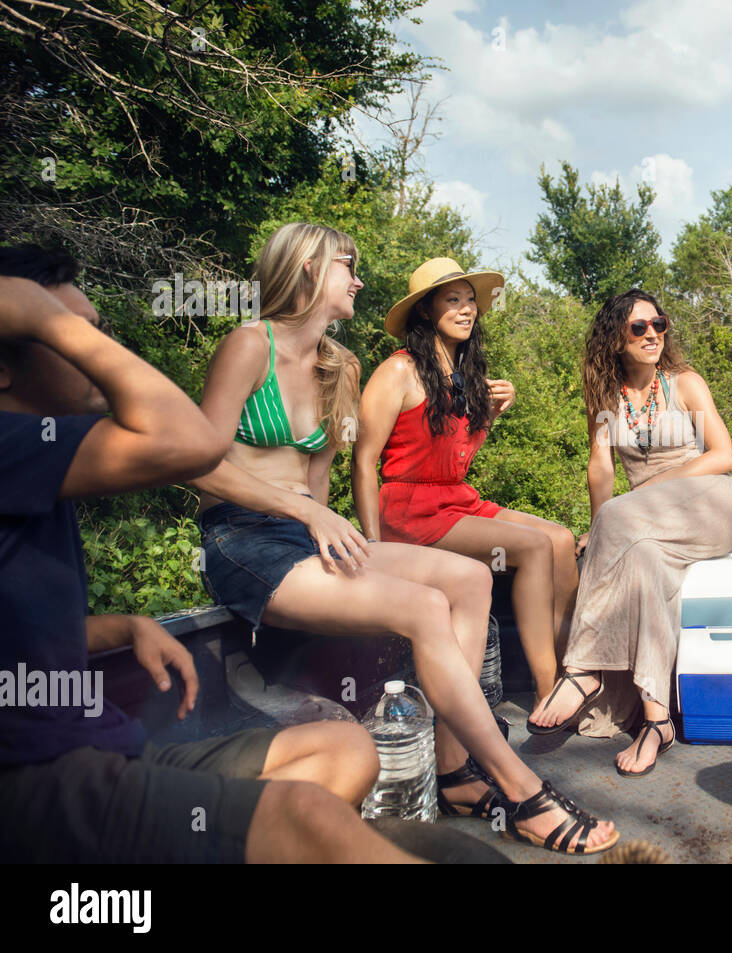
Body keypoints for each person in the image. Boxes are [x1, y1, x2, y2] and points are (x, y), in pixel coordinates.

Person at [192, 224, 617, 854]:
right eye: (347, 266)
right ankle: (522, 788)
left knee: (470, 578)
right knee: (424, 605)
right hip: (244, 541)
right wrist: (312, 516)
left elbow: (318, 480)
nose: (358, 279)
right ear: (309, 269)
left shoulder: (339, 366)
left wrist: (329, 526)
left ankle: (454, 773)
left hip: (305, 534)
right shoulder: (248, 346)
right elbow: (198, 461)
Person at [0, 244, 421, 863]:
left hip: (109, 743)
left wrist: (124, 624)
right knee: (303, 818)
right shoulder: (12, 446)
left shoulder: (42, 459)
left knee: (348, 748)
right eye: (69, 335)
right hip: (37, 772)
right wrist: (43, 314)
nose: (99, 348)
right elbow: (195, 446)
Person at [526, 289, 732, 778]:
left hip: (708, 502)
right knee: (641, 558)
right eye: (638, 328)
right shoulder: (606, 397)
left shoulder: (684, 383)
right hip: (645, 523)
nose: (652, 335)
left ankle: (581, 669)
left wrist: (626, 508)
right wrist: (602, 525)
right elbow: (600, 466)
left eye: (659, 324)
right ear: (615, 340)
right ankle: (657, 719)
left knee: (623, 520)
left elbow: (723, 456)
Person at [353, 258, 577, 704]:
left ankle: (575, 669)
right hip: (410, 510)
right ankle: (548, 688)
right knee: (533, 547)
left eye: (470, 300)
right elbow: (363, 461)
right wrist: (374, 547)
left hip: (455, 499)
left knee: (561, 538)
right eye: (452, 300)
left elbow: (456, 463)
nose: (466, 309)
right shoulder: (398, 370)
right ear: (425, 312)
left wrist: (490, 416)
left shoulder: (463, 376)